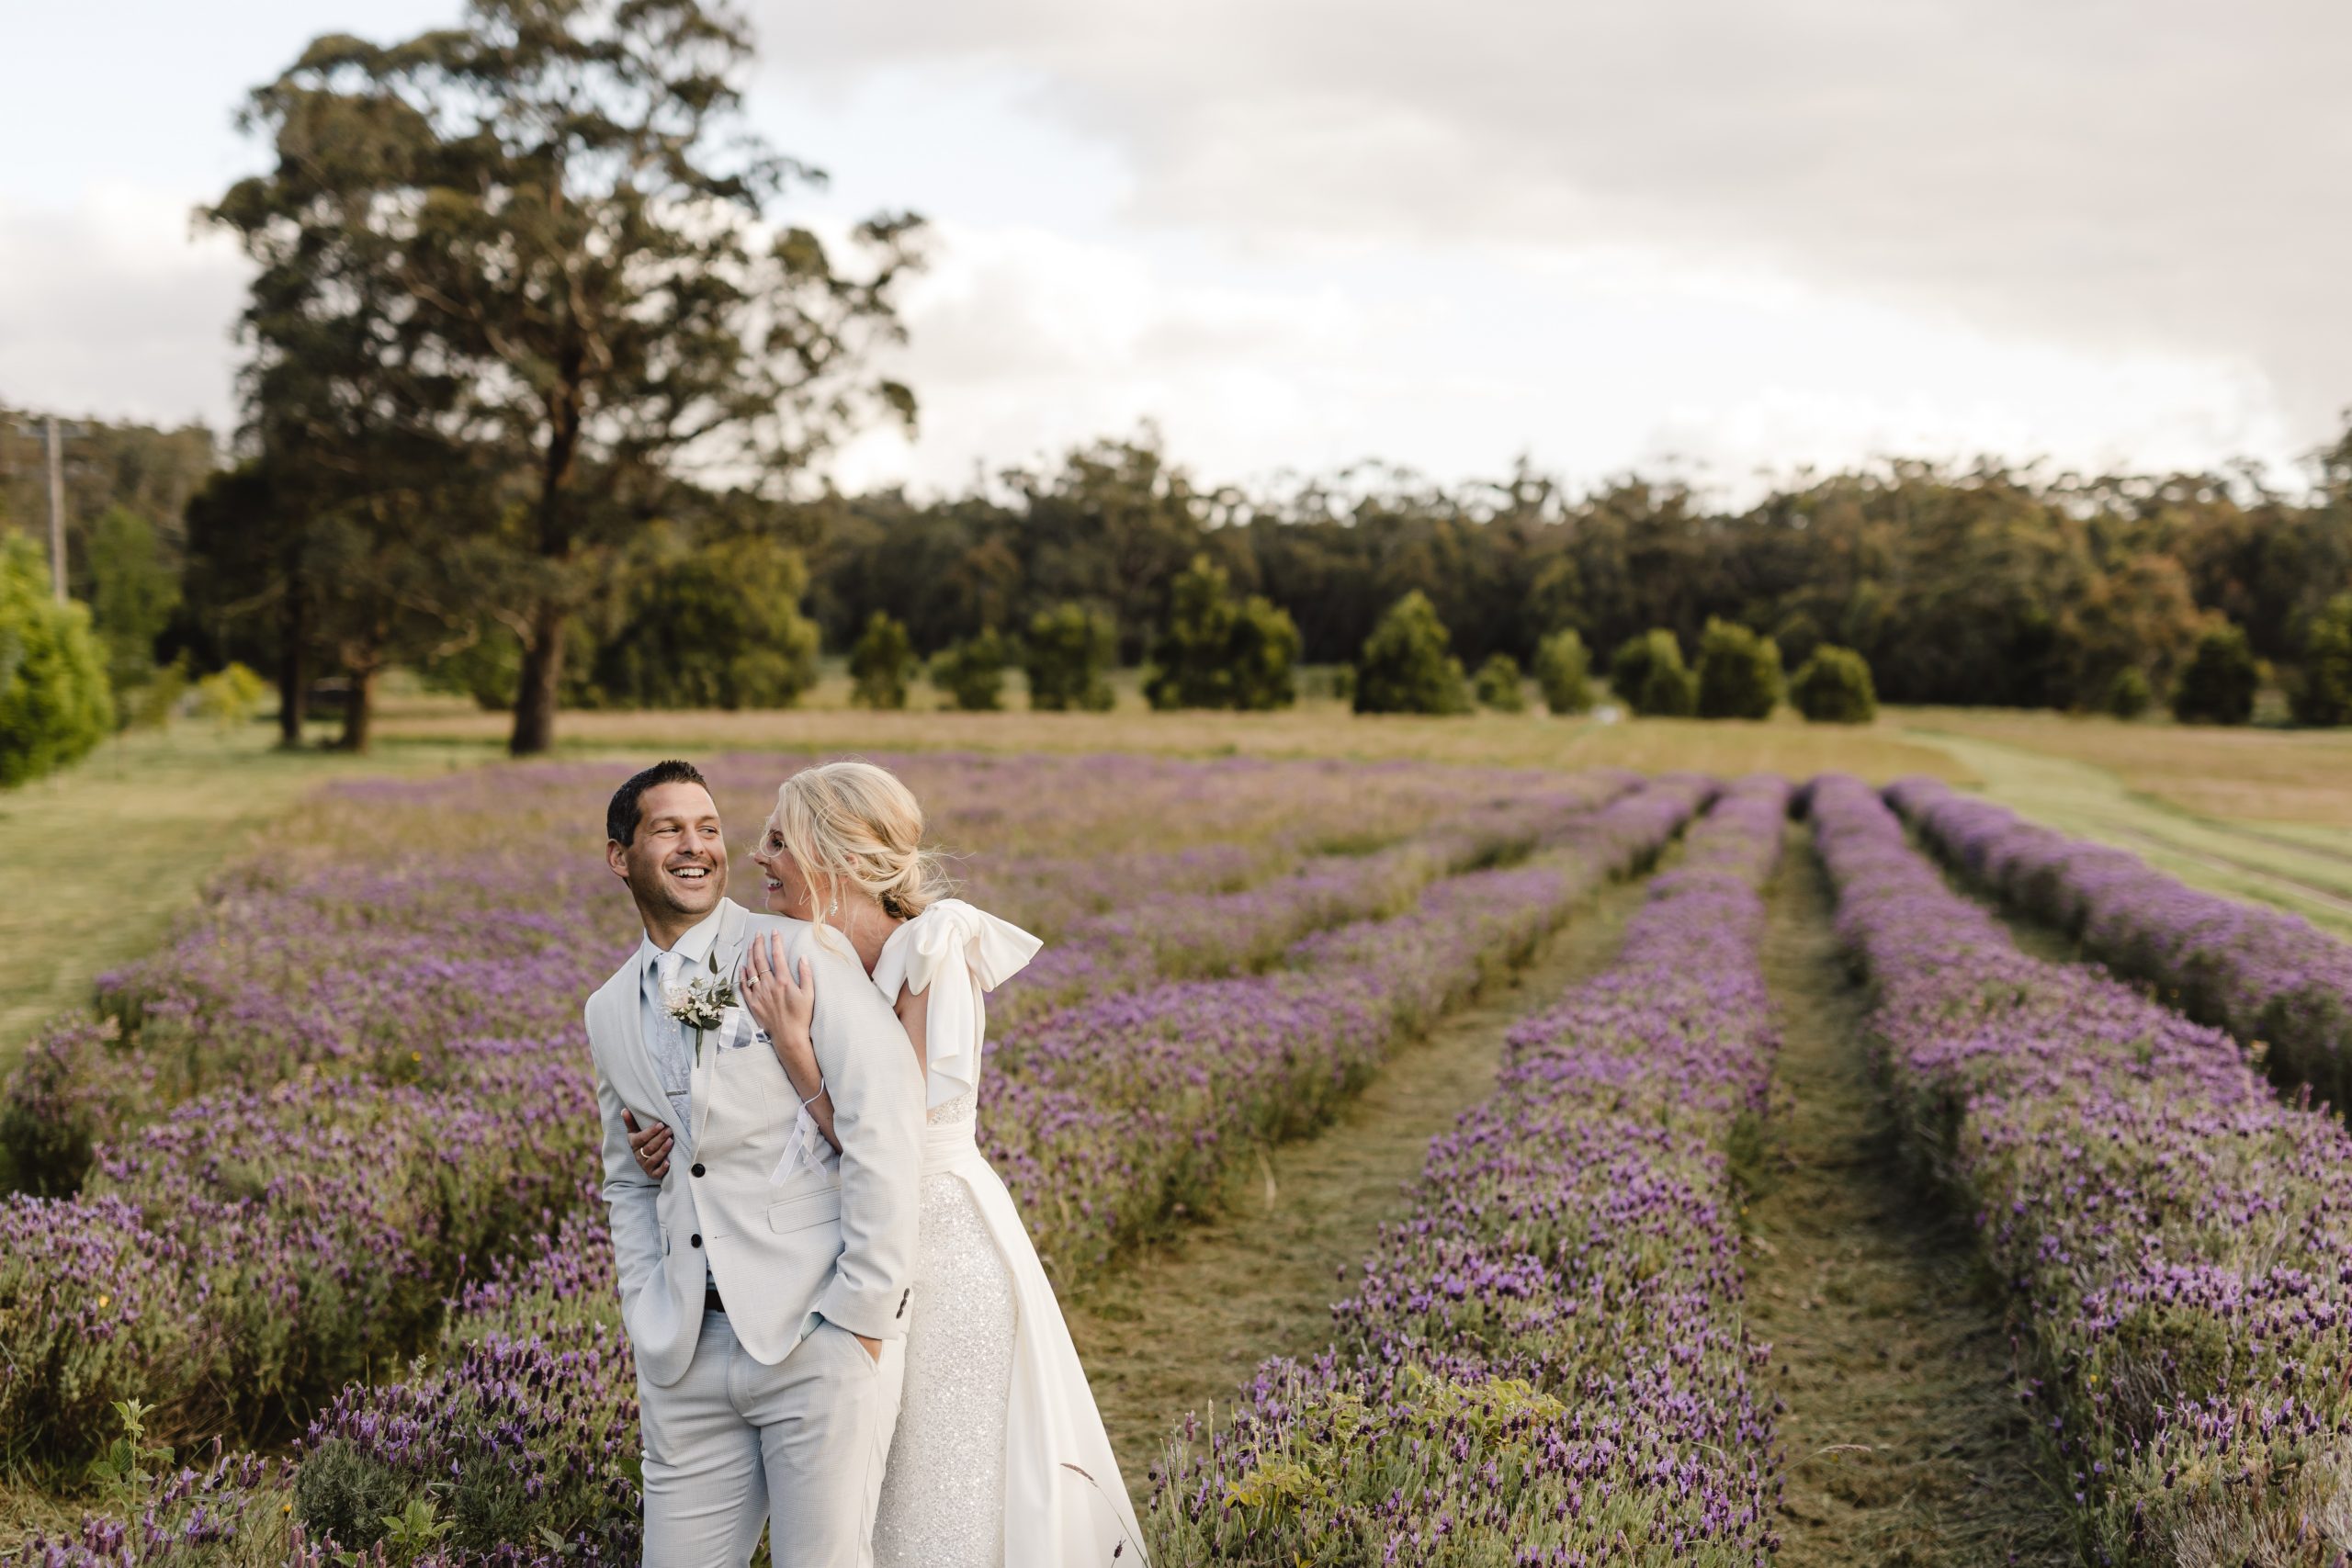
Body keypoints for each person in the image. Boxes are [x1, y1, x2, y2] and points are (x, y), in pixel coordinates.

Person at [628, 760, 1147, 1568]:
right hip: (855, 1249)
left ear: (829, 854)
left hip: (935, 1248)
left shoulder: (929, 952)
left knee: (942, 1495)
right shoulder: (821, 960)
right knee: (875, 1501)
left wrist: (798, 1053)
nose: (758, 857)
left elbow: (888, 1135)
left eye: (778, 841)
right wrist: (666, 1141)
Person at [588, 759, 925, 1568]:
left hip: (814, 1336)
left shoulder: (797, 948)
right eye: (668, 829)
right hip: (685, 1356)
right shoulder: (607, 1011)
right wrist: (645, 1310)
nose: (696, 845)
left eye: (708, 827)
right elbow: (627, 1178)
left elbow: (885, 1126)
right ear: (620, 857)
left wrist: (860, 1319)